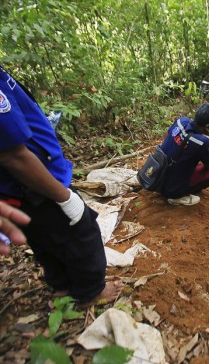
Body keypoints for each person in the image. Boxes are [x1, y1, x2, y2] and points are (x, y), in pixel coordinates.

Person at [0, 64, 123, 305]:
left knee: (42, 236)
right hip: (36, 183)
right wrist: (64, 197)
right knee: (83, 232)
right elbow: (12, 155)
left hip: (19, 189)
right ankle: (91, 291)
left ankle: (62, 285)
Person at [160, 103, 209, 206]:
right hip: (171, 189)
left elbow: (168, 134)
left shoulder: (181, 121)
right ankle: (178, 196)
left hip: (158, 176)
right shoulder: (202, 142)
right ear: (208, 126)